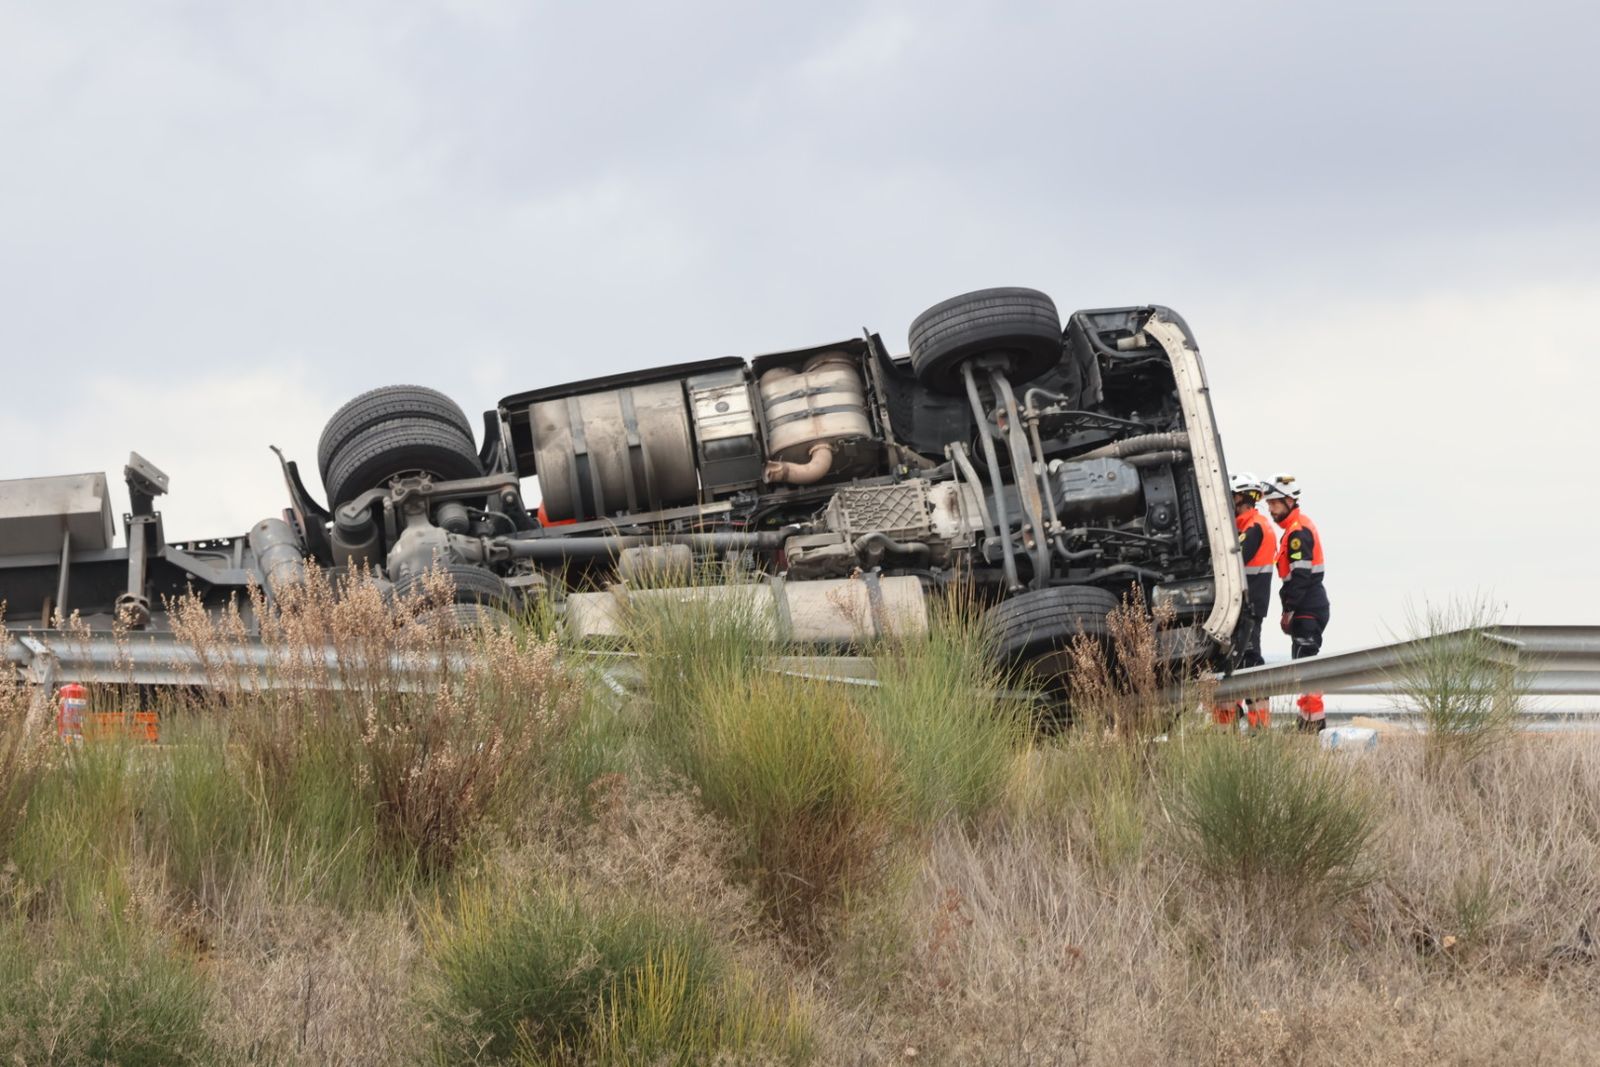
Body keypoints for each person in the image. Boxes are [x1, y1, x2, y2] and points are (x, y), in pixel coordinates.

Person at [1263, 474, 1329, 731]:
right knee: (1302, 665)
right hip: (1307, 606)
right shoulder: (1294, 529)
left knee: (1306, 665)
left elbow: (1300, 576)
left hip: (1307, 607)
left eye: (1275, 504)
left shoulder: (1298, 532)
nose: (1270, 509)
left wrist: (1289, 609)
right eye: (1268, 504)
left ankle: (1314, 726)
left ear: (1289, 501)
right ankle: (1307, 722)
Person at [1231, 472, 1276, 730]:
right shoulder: (1251, 525)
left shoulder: (1254, 527)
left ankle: (1259, 728)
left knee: (1250, 662)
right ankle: (1249, 724)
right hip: (1249, 604)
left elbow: (1236, 561)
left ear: (1240, 497)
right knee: (1241, 660)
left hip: (1249, 605)